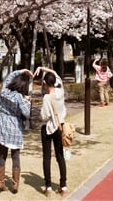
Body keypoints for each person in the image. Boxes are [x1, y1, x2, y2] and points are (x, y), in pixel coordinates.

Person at [0, 68, 33, 193]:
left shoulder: (4, 91)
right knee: (15, 157)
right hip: (15, 129)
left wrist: (21, 71)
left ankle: (0, 182)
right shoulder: (20, 97)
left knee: (2, 155)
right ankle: (15, 184)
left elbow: (8, 78)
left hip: (3, 126)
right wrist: (28, 102)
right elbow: (27, 114)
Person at [35, 66, 67, 197]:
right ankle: (63, 186)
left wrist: (40, 68)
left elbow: (44, 116)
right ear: (54, 81)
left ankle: (48, 186)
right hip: (60, 127)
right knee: (60, 156)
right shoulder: (61, 91)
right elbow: (54, 72)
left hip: (48, 128)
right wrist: (43, 68)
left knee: (47, 157)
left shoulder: (47, 98)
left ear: (44, 83)